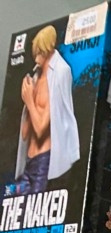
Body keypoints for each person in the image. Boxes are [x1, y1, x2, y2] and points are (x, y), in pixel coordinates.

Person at [14, 25, 79, 195]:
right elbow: (25, 134)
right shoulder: (36, 76)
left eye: (40, 53)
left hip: (44, 162)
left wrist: (29, 100)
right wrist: (26, 100)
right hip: (28, 161)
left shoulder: (60, 72)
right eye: (35, 53)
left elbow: (41, 129)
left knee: (36, 207)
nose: (36, 58)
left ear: (49, 49)